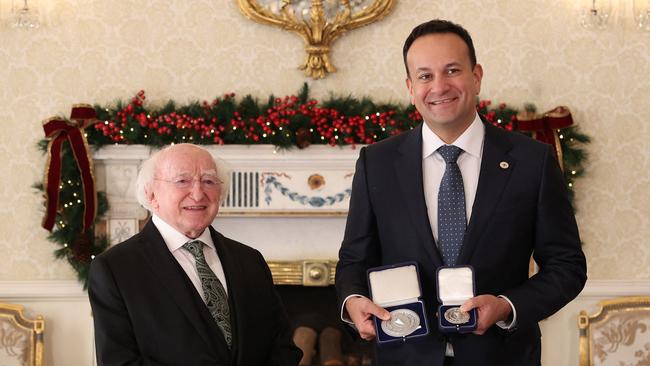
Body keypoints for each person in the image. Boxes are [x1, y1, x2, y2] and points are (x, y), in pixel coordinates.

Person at [335, 19, 587, 366]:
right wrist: (353, 301)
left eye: (452, 70)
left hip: (502, 356)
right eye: (424, 76)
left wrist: (506, 306)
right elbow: (354, 260)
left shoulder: (532, 162)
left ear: (476, 75)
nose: (439, 86)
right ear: (411, 87)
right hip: (405, 357)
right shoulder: (376, 163)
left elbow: (566, 265)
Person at [88, 143, 302, 366]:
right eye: (182, 181)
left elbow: (283, 347)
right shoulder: (115, 269)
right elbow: (120, 361)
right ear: (151, 194)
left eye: (209, 181)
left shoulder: (250, 260)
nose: (198, 193)